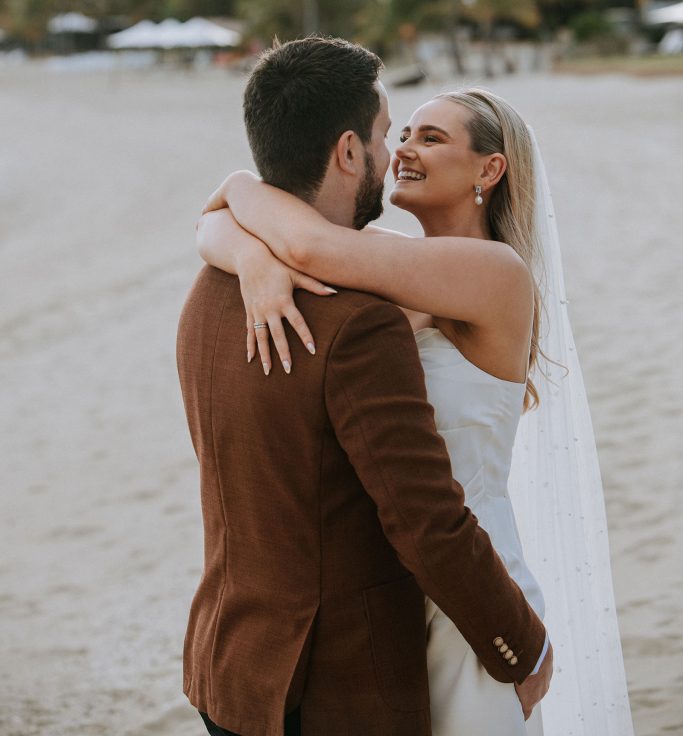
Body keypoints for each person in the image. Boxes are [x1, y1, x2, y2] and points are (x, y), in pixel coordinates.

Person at [198, 41, 634, 735]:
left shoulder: (491, 275)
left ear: (488, 169)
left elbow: (301, 247)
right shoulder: (397, 269)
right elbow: (243, 237)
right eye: (399, 132)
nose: (402, 147)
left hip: (470, 575)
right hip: (401, 583)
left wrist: (239, 191)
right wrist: (247, 251)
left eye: (430, 138)